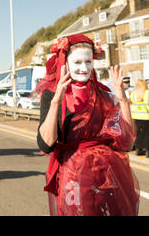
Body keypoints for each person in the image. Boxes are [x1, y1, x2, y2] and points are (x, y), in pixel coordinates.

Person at [36, 34, 139, 216]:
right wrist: (56, 102)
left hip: (109, 176)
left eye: (88, 62)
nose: (84, 68)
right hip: (73, 177)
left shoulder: (104, 93)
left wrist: (122, 99)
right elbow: (46, 144)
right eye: (77, 63)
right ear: (65, 63)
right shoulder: (51, 95)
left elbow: (126, 143)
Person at [129, 79, 149, 157]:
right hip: (146, 117)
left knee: (138, 134)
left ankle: (139, 149)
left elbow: (131, 104)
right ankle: (148, 150)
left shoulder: (133, 94)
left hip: (136, 117)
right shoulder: (147, 93)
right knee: (147, 134)